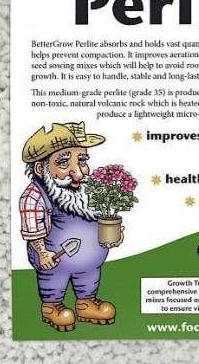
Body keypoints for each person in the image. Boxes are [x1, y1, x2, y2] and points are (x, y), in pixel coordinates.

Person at [19, 122, 122, 332]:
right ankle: (51, 305)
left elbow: (103, 215)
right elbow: (33, 228)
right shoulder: (35, 196)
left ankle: (86, 302)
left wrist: (113, 234)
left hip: (90, 261)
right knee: (53, 278)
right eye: (64, 163)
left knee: (89, 275)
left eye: (82, 161)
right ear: (40, 169)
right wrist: (42, 252)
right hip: (54, 258)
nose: (78, 174)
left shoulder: (89, 190)